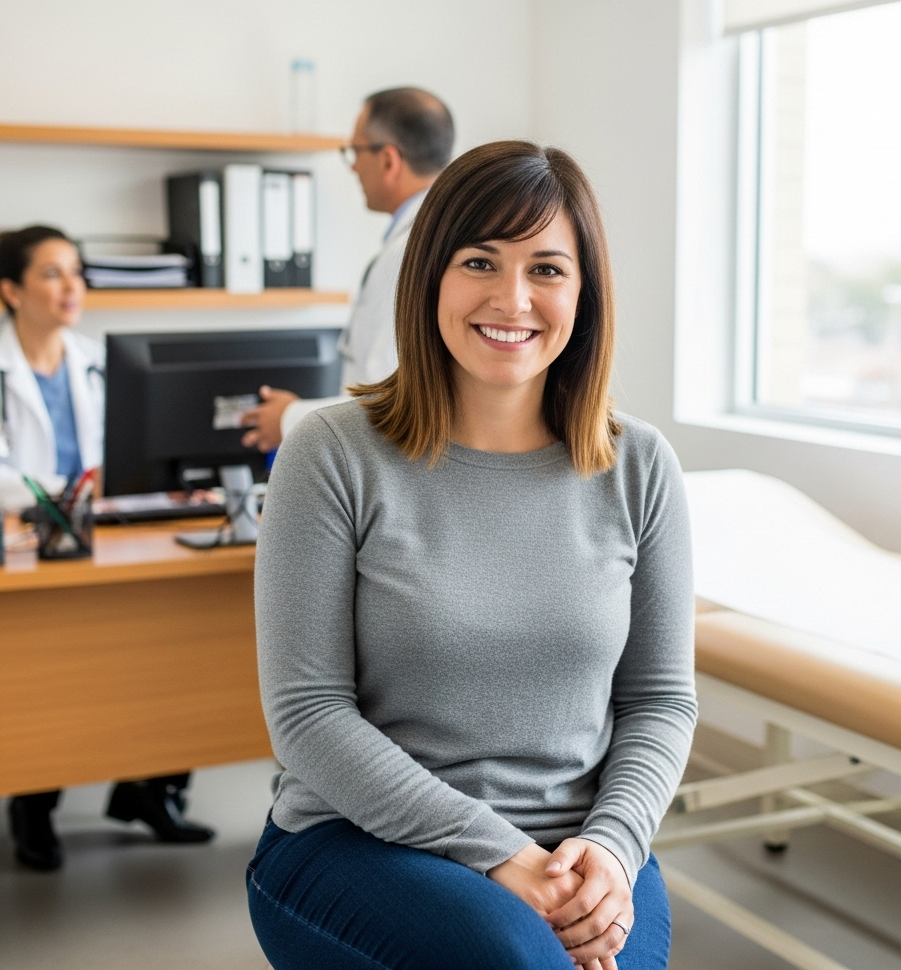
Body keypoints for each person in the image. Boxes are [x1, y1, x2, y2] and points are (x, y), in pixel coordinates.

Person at [248, 142, 697, 970]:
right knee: (517, 958)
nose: (513, 298)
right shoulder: (333, 453)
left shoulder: (641, 466)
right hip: (358, 839)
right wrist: (501, 856)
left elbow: (662, 701)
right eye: (480, 261)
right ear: (431, 277)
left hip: (580, 847)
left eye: (548, 269)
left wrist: (613, 850)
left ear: (584, 293)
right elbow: (308, 716)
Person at [0, 225, 215, 871]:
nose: (73, 287)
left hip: (110, 534)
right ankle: (34, 804)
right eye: (52, 274)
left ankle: (151, 789)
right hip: (28, 538)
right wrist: (71, 492)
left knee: (170, 636)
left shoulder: (99, 358)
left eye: (77, 271)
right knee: (53, 657)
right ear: (9, 290)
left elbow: (136, 451)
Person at [240, 85, 455, 452]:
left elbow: (386, 396)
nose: (353, 165)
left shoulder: (409, 253)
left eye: (355, 151)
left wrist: (291, 419)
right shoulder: (436, 237)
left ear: (389, 160)